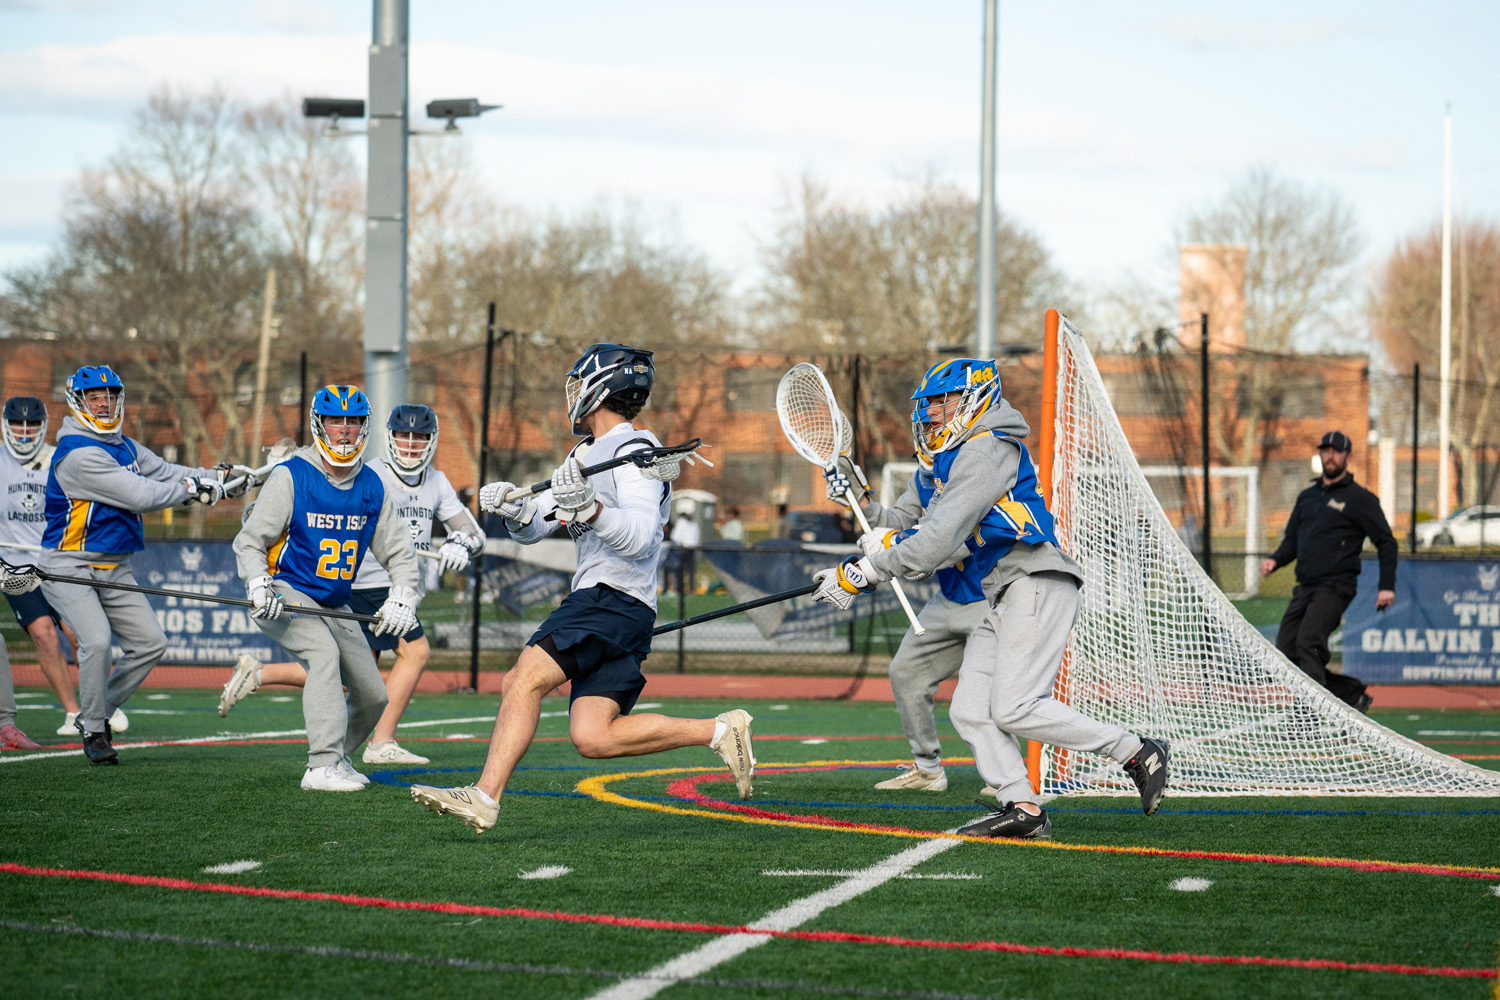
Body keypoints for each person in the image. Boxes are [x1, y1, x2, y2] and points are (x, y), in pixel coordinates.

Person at [812, 358, 1170, 839]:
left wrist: (867, 569)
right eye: (928, 403)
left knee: (1015, 706)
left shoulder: (985, 447)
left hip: (1034, 581)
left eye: (942, 400)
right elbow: (927, 539)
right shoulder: (957, 456)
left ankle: (1136, 751)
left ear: (975, 398)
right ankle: (1022, 806)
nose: (931, 411)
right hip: (1001, 592)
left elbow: (936, 540)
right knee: (970, 709)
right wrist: (870, 552)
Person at [409, 343, 754, 834]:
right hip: (621, 607)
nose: (571, 395)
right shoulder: (586, 453)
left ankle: (484, 795)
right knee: (594, 736)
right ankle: (720, 731)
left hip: (610, 597)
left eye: (578, 383)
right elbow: (538, 524)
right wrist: (514, 510)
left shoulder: (635, 450)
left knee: (521, 680)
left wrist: (591, 509)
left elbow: (642, 537)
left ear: (600, 386)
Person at [218, 404, 485, 766]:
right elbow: (266, 526)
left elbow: (459, 534)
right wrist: (258, 577)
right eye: (404, 435)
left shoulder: (427, 481)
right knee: (385, 655)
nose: (410, 444)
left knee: (362, 682)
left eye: (420, 437)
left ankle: (265, 679)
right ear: (389, 437)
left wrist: (461, 543)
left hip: (375, 590)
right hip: (352, 584)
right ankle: (357, 749)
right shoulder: (366, 472)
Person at [41, 366, 247, 764]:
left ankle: (95, 713)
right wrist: (196, 489)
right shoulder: (79, 455)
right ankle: (95, 731)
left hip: (114, 566)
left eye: (110, 396)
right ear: (78, 403)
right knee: (97, 641)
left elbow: (167, 472)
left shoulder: (125, 445)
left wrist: (221, 476)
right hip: (69, 566)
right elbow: (142, 494)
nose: (104, 403)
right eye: (94, 397)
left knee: (151, 643)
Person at [232, 385, 424, 791]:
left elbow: (400, 553)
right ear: (319, 424)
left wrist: (404, 596)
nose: (345, 430)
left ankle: (338, 757)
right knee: (324, 655)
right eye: (336, 421)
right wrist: (257, 582)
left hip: (334, 602)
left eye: (353, 421)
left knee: (373, 694)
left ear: (364, 427)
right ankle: (320, 766)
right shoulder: (292, 475)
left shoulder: (372, 485)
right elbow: (249, 541)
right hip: (284, 591)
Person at [0, 396, 120, 736]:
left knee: (80, 634)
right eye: (18, 424)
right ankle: (72, 713)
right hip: (14, 568)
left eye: (32, 425)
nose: (24, 431)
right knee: (43, 634)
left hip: (58, 562)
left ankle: (101, 706)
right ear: (6, 426)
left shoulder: (59, 457)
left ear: (43, 426)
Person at [1261, 430, 1396, 712]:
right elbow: (1291, 541)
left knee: (1309, 642)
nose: (1330, 456)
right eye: (1325, 451)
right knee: (1287, 650)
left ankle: (1307, 718)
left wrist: (1386, 586)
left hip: (1336, 586)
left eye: (1336, 451)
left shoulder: (1359, 498)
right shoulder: (1307, 497)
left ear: (1347, 456)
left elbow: (1386, 542)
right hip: (1306, 587)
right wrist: (1275, 560)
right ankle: (1351, 693)